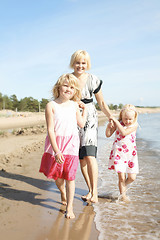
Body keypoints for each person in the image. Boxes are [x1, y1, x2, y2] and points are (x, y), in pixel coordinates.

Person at [39, 73, 87, 219]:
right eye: (66, 85)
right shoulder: (51, 105)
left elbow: (82, 123)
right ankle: (62, 192)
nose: (68, 89)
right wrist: (56, 150)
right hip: (56, 145)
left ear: (75, 91)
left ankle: (70, 208)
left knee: (70, 176)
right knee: (57, 176)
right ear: (58, 87)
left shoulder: (74, 105)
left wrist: (84, 110)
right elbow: (50, 130)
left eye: (72, 87)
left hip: (71, 145)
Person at [70, 50, 112, 203]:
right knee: (81, 159)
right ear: (73, 63)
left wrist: (110, 117)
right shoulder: (68, 79)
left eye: (83, 63)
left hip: (90, 117)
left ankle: (94, 193)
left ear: (87, 64)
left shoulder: (93, 79)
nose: (80, 66)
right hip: (73, 116)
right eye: (77, 62)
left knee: (90, 155)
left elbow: (101, 102)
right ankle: (90, 190)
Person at [105, 104, 139, 202]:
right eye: (125, 119)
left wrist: (116, 121)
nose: (127, 121)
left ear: (134, 118)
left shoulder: (135, 125)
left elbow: (124, 132)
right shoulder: (119, 123)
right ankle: (123, 196)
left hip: (130, 154)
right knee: (121, 177)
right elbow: (108, 135)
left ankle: (122, 186)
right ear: (122, 116)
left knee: (132, 177)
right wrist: (109, 127)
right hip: (119, 153)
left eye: (130, 119)